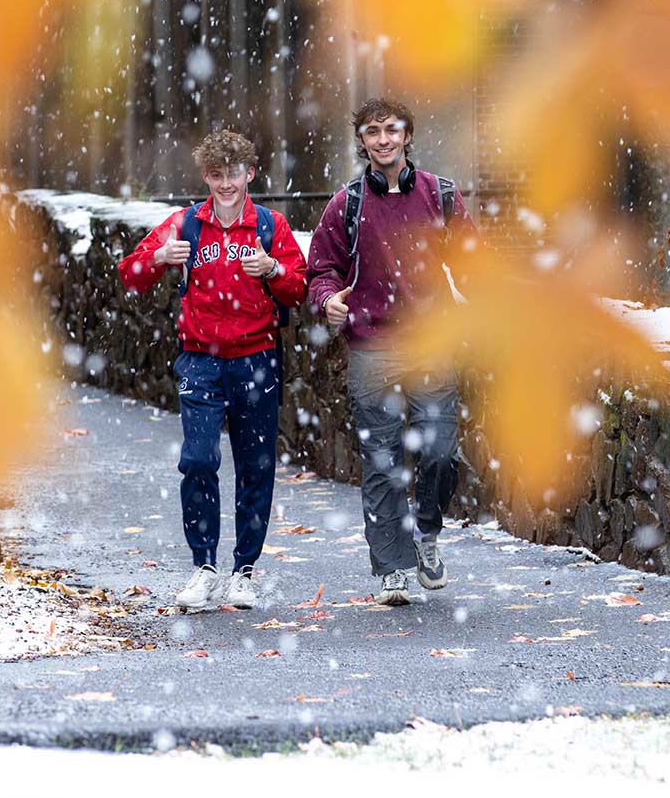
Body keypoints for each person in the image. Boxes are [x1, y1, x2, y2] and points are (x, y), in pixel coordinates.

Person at [118, 130, 306, 610]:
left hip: (256, 359)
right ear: (206, 175)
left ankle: (243, 571)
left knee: (255, 466)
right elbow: (129, 275)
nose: (227, 183)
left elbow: (299, 289)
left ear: (251, 174)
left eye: (235, 173)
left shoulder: (270, 226)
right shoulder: (184, 225)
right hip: (200, 360)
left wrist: (274, 272)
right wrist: (158, 257)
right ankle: (204, 567)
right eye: (217, 174)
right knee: (198, 459)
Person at [306, 97, 477, 606]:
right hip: (372, 345)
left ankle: (426, 533)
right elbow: (322, 269)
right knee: (381, 460)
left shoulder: (441, 197)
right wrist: (326, 300)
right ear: (361, 142)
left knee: (440, 452)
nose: (383, 139)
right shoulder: (347, 203)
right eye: (372, 132)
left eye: (391, 130)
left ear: (407, 136)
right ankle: (392, 569)